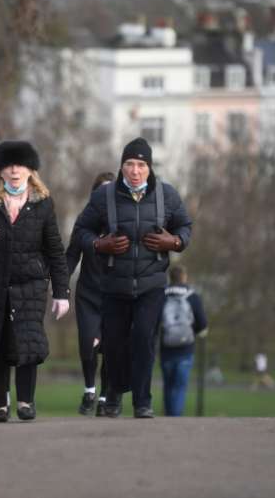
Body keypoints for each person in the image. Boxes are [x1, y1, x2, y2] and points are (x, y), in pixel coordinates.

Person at [73, 137, 192, 418]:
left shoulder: (167, 195)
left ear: (149, 168)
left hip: (152, 284)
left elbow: (186, 225)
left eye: (141, 164)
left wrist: (174, 242)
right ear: (122, 166)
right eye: (129, 164)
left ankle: (142, 401)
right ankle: (112, 395)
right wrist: (99, 245)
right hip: (113, 283)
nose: (135, 170)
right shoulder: (103, 197)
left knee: (143, 338)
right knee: (113, 343)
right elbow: (81, 231)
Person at [0, 140, 70, 422]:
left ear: (31, 170)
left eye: (21, 164)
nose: (15, 170)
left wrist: (62, 292)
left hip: (30, 286)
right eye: (9, 165)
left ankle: (26, 402)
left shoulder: (43, 204)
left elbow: (54, 249)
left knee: (27, 344)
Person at [67, 171, 115, 416]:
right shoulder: (84, 221)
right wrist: (61, 286)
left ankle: (105, 397)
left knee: (111, 348)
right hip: (88, 292)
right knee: (88, 343)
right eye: (101, 191)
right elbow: (72, 254)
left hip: (116, 292)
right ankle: (89, 390)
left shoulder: (123, 220)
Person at [159, 265, 207, 416]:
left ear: (170, 278)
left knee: (168, 385)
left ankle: (168, 416)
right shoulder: (192, 296)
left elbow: (154, 320)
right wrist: (194, 332)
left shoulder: (161, 295)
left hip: (166, 347)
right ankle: (175, 418)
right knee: (179, 386)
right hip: (186, 348)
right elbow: (202, 323)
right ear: (184, 277)